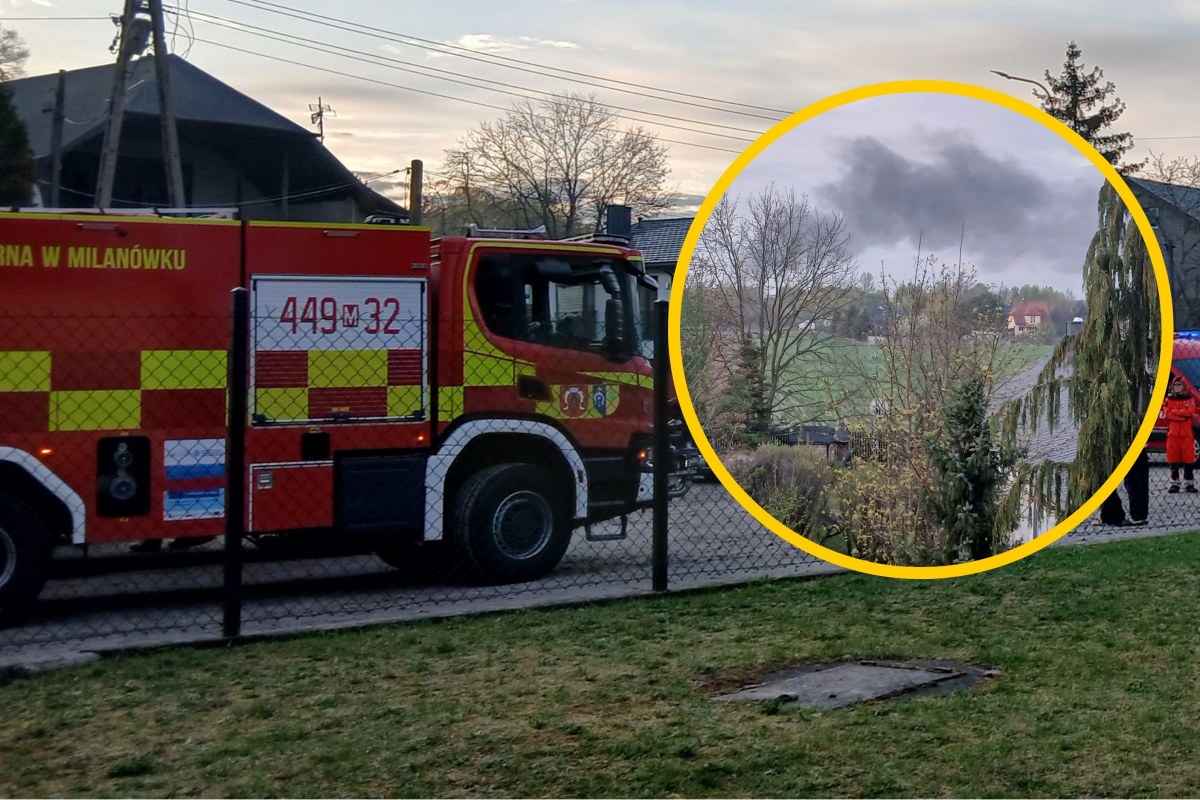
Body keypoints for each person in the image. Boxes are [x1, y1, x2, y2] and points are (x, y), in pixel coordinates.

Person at [1164, 377, 1197, 494]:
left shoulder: (1190, 398)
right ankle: (1174, 484)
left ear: (1184, 386)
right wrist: (1182, 414)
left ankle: (1189, 483)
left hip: (1186, 434)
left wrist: (1175, 413)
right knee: (1173, 460)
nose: (1177, 387)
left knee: (1189, 460)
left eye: (1179, 385)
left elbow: (1191, 412)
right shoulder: (1169, 399)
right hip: (1173, 435)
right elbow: (1167, 414)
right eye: (1175, 385)